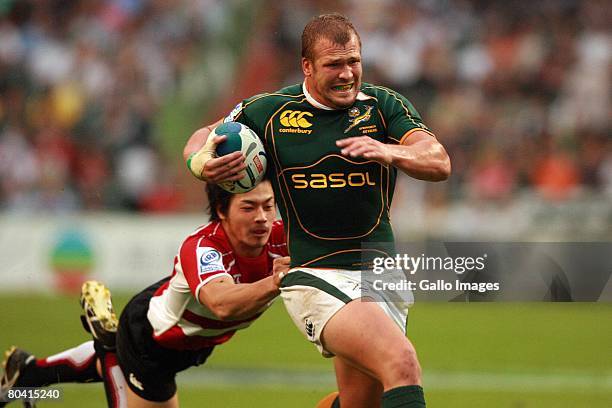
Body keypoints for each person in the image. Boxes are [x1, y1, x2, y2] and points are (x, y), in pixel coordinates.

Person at [184, 13, 451, 408]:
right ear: (307, 66)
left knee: (360, 402)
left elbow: (438, 161)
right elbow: (205, 136)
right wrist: (199, 162)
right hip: (316, 274)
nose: (347, 74)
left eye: (354, 62)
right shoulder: (271, 112)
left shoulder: (382, 106)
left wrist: (388, 151)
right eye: (334, 64)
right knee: (402, 363)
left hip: (380, 275)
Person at [1, 180, 290, 407]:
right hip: (150, 343)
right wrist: (277, 281)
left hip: (193, 340)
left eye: (268, 206)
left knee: (111, 356)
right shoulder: (203, 246)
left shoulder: (283, 237)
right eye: (249, 208)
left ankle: (31, 372)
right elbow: (222, 304)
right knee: (124, 359)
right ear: (221, 210)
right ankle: (111, 345)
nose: (262, 218)